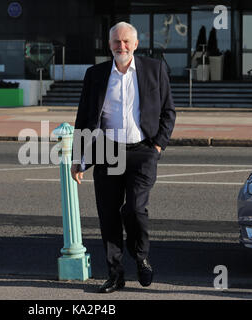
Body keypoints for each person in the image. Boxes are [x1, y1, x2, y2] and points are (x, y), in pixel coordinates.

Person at [71, 21, 176, 293]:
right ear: (109, 45)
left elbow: (168, 112)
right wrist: (79, 158)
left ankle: (140, 256)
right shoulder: (95, 74)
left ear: (136, 44)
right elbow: (84, 117)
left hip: (142, 151)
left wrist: (157, 147)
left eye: (127, 41)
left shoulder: (155, 69)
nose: (122, 46)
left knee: (135, 209)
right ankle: (115, 275)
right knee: (108, 216)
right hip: (107, 151)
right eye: (117, 42)